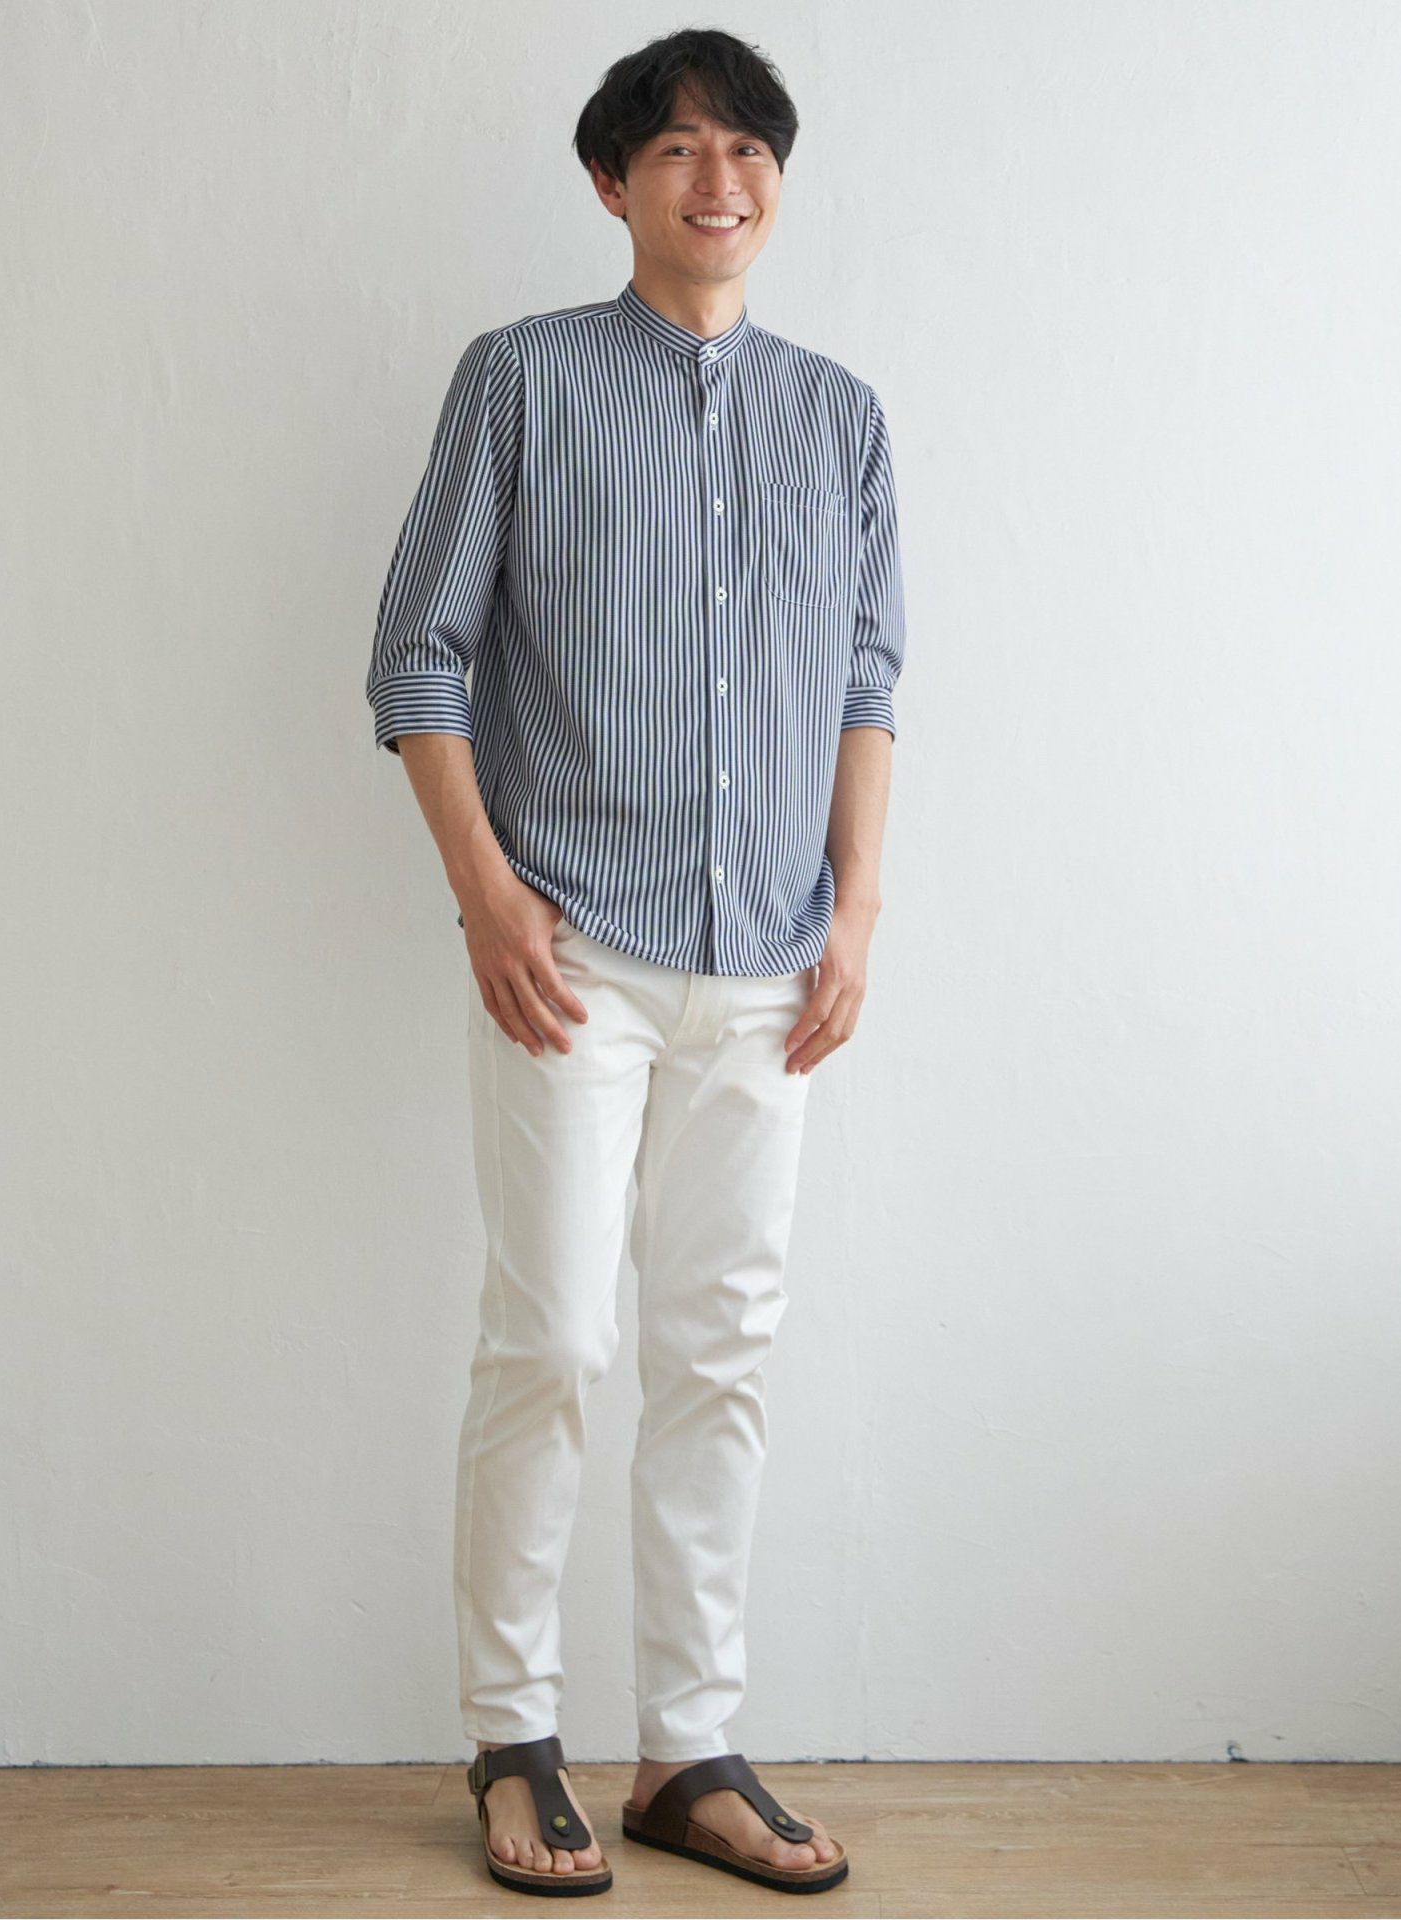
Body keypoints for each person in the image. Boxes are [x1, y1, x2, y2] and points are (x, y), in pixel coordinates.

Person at [364, 25, 905, 1899]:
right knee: (553, 1340)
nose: (719, 178)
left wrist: (856, 912)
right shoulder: (519, 382)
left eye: (748, 146)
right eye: (678, 147)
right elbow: (417, 655)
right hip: (569, 953)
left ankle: (690, 1750)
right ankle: (512, 1737)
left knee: (720, 1352)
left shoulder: (842, 417)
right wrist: (487, 898)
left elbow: (869, 680)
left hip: (771, 964)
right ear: (613, 182)